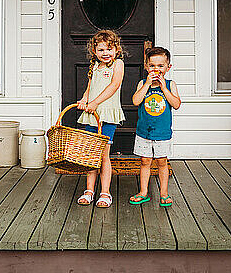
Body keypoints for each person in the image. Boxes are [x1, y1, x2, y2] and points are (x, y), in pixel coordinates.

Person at [76, 30, 125, 208]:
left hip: (107, 114)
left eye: (109, 49)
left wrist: (95, 102)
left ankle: (105, 192)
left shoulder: (117, 64)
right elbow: (89, 88)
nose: (106, 53)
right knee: (91, 154)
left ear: (116, 50)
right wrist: (84, 100)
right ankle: (89, 190)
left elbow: (114, 85)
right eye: (101, 50)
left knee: (104, 155)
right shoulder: (95, 66)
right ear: (94, 51)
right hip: (91, 115)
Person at [129, 47, 181, 207]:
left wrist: (164, 87)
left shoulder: (170, 84)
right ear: (146, 66)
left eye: (160, 66)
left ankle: (164, 193)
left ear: (168, 67)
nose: (156, 69)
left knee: (162, 162)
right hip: (144, 131)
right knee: (145, 161)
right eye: (152, 66)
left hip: (162, 133)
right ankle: (143, 192)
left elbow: (176, 104)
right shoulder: (142, 83)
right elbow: (136, 101)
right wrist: (147, 85)